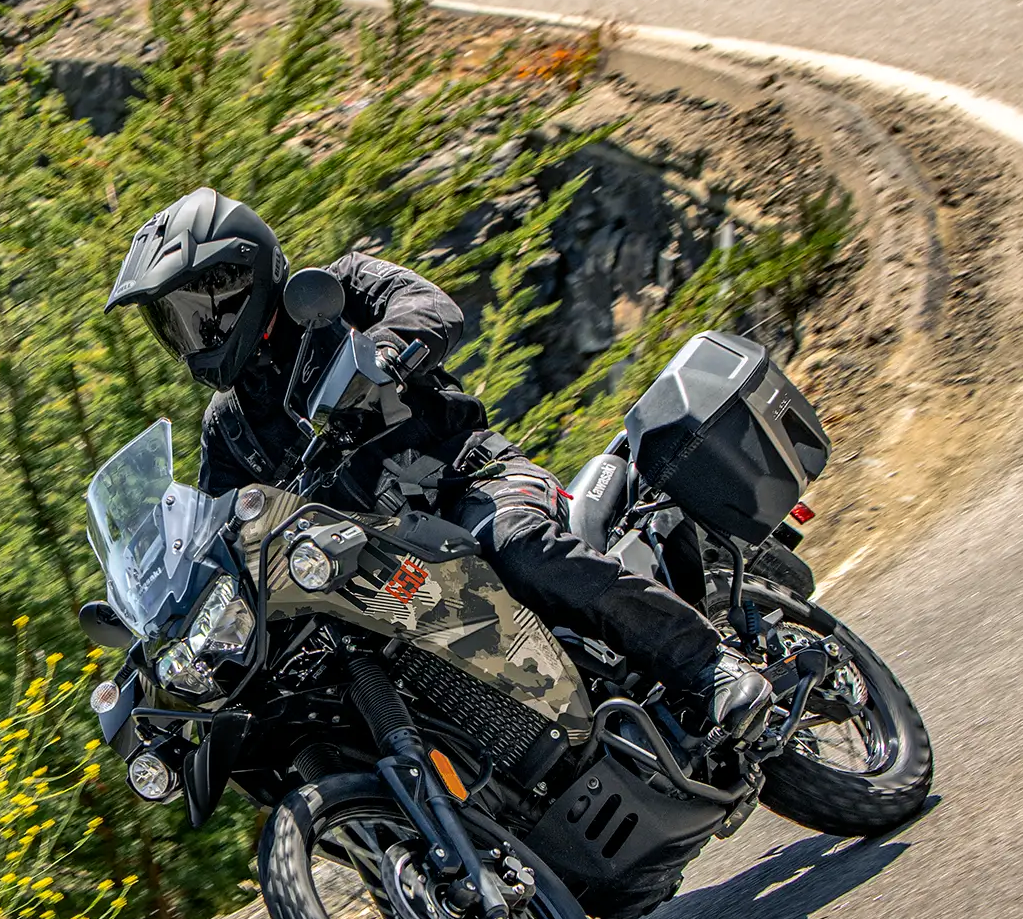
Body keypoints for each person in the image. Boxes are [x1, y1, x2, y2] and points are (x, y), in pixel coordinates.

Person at [106, 187, 765, 726]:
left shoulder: (337, 290)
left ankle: (707, 664)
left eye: (196, 311)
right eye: (172, 322)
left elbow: (430, 306)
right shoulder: (232, 427)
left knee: (516, 543)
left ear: (239, 277)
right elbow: (214, 530)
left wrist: (386, 352)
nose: (190, 337)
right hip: (389, 571)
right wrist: (166, 613)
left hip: (472, 480)